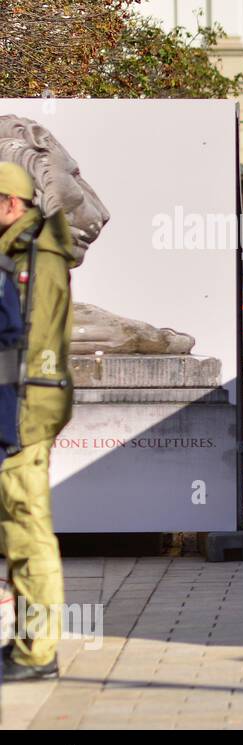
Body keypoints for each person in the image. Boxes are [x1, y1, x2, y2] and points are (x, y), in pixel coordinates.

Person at [0, 161, 75, 682]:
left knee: (27, 531)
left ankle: (37, 653)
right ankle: (28, 643)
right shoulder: (24, 249)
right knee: (18, 528)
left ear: (10, 203)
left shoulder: (31, 254)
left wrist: (15, 417)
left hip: (22, 409)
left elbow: (26, 342)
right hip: (23, 404)